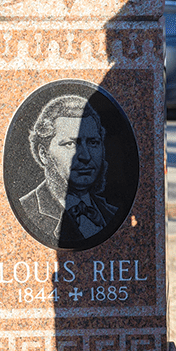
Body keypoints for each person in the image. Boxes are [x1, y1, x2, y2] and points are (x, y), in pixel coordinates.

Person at [18, 94, 118, 244]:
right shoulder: (28, 208)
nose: (85, 156)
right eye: (70, 144)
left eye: (93, 142)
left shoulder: (110, 213)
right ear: (44, 154)